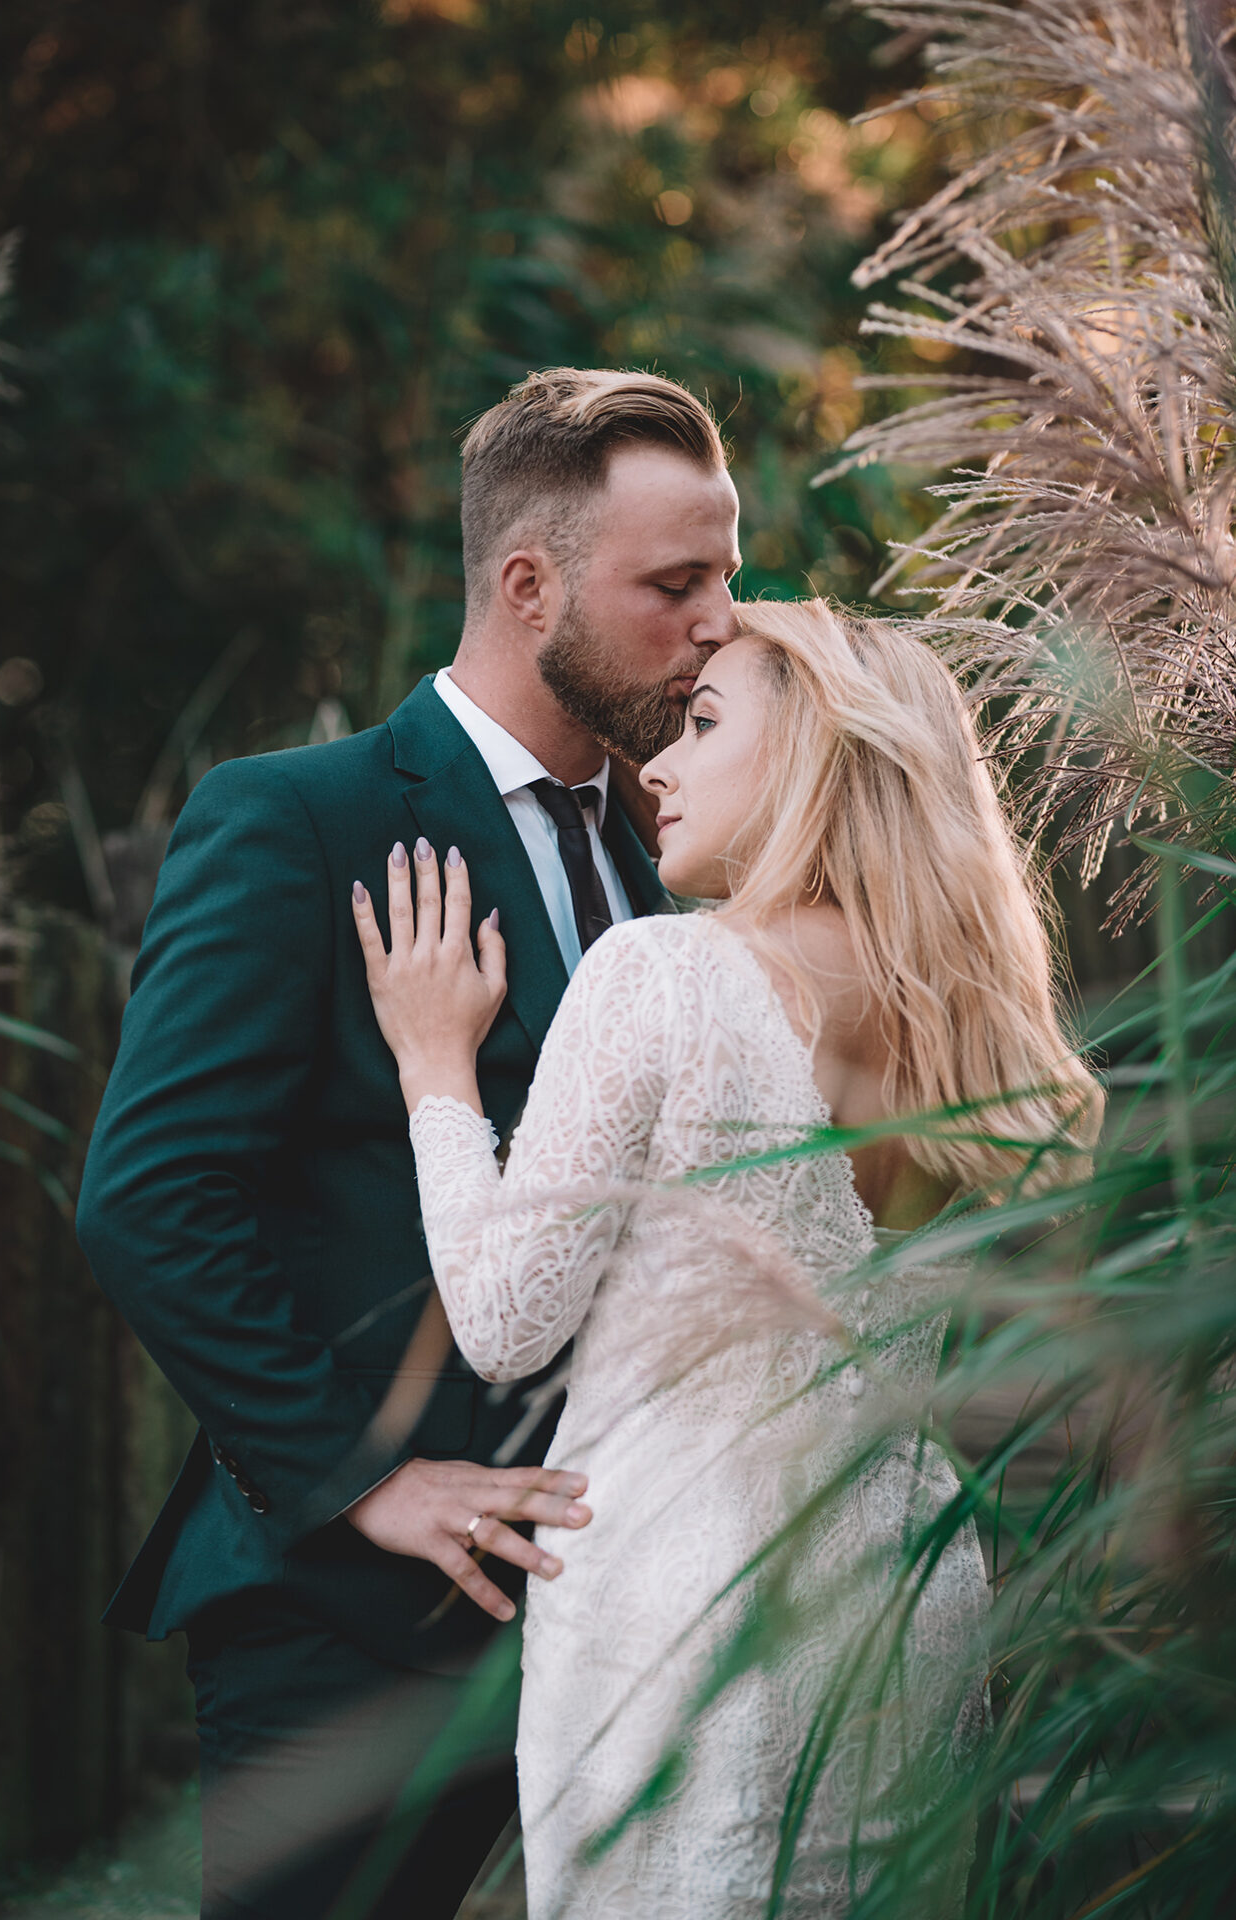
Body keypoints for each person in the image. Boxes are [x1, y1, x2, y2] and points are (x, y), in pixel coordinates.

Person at [74, 366, 741, 1918]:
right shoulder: (299, 820)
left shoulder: (683, 845)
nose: (720, 620)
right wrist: (359, 1481)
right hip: (349, 1619)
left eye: (727, 575)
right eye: (674, 584)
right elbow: (149, 1197)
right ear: (528, 587)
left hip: (624, 1606)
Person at [350, 599, 1105, 1918]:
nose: (658, 766)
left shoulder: (664, 975)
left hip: (683, 1611)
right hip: (903, 1593)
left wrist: (433, 1067)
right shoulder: (973, 1039)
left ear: (817, 755)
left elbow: (504, 1320)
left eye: (703, 725)